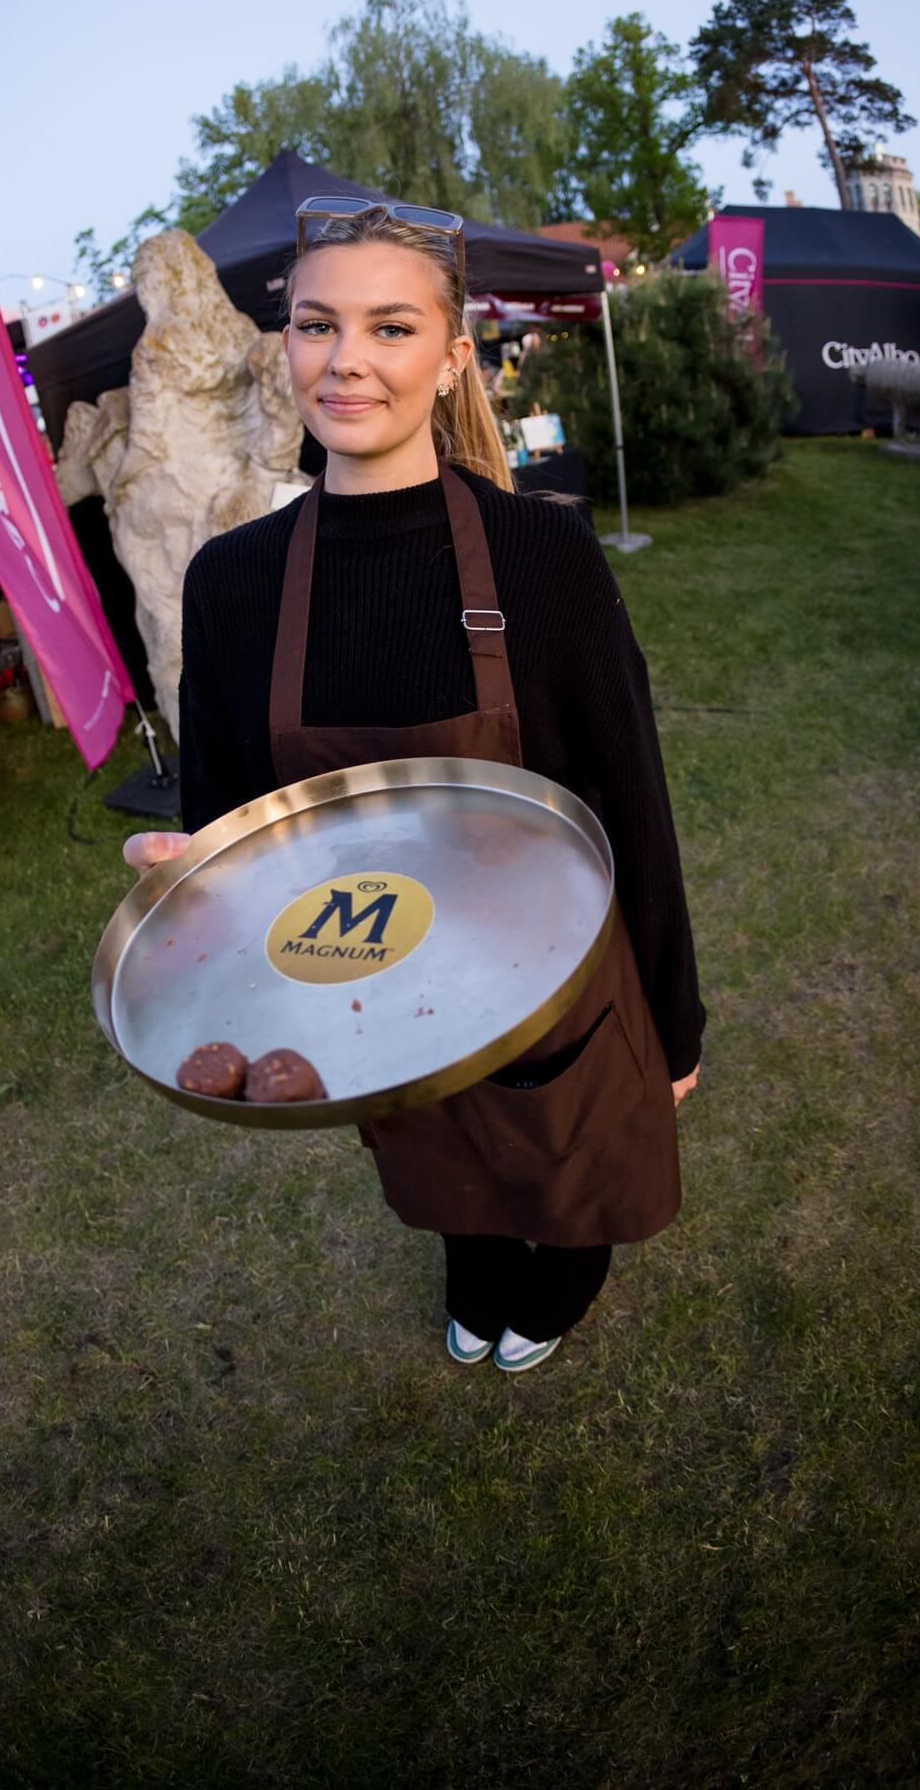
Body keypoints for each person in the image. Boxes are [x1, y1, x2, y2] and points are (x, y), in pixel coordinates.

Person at [122, 201, 703, 1375]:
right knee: (441, 1165)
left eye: (390, 328)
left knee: (570, 1170)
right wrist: (189, 885)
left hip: (553, 986)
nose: (346, 359)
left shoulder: (541, 553)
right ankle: (476, 1277)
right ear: (284, 346)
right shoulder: (233, 581)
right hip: (371, 990)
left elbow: (631, 798)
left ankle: (555, 1290)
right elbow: (229, 821)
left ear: (450, 359)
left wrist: (674, 1018)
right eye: (316, 324)